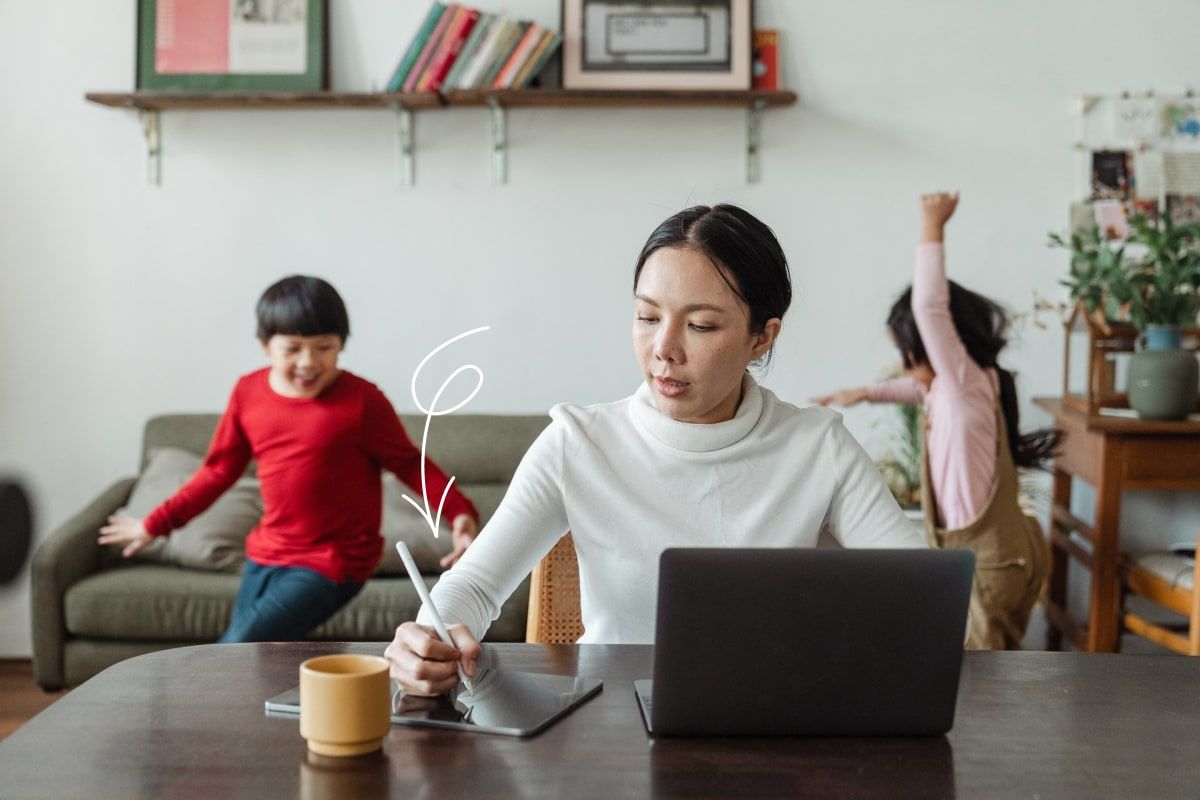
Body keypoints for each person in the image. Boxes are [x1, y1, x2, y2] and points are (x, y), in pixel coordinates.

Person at [385, 204, 926, 696]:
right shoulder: (579, 443)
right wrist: (429, 637)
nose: (664, 349)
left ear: (762, 337)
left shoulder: (817, 446)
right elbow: (476, 585)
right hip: (611, 736)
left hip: (772, 727)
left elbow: (920, 596)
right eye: (647, 317)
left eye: (701, 325)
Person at [99, 275, 480, 643]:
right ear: (267, 345)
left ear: (342, 345)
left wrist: (459, 513)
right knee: (253, 660)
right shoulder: (248, 393)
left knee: (234, 651)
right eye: (293, 348)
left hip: (335, 561)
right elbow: (217, 471)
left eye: (324, 347)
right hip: (266, 553)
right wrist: (155, 524)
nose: (309, 362)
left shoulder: (362, 401)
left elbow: (409, 463)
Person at [814, 192, 1060, 650]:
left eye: (907, 355)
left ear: (935, 346)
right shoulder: (963, 388)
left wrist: (933, 226)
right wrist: (865, 393)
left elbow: (929, 308)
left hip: (990, 563)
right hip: (990, 555)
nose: (906, 370)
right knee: (974, 669)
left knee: (984, 676)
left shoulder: (962, 380)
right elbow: (917, 389)